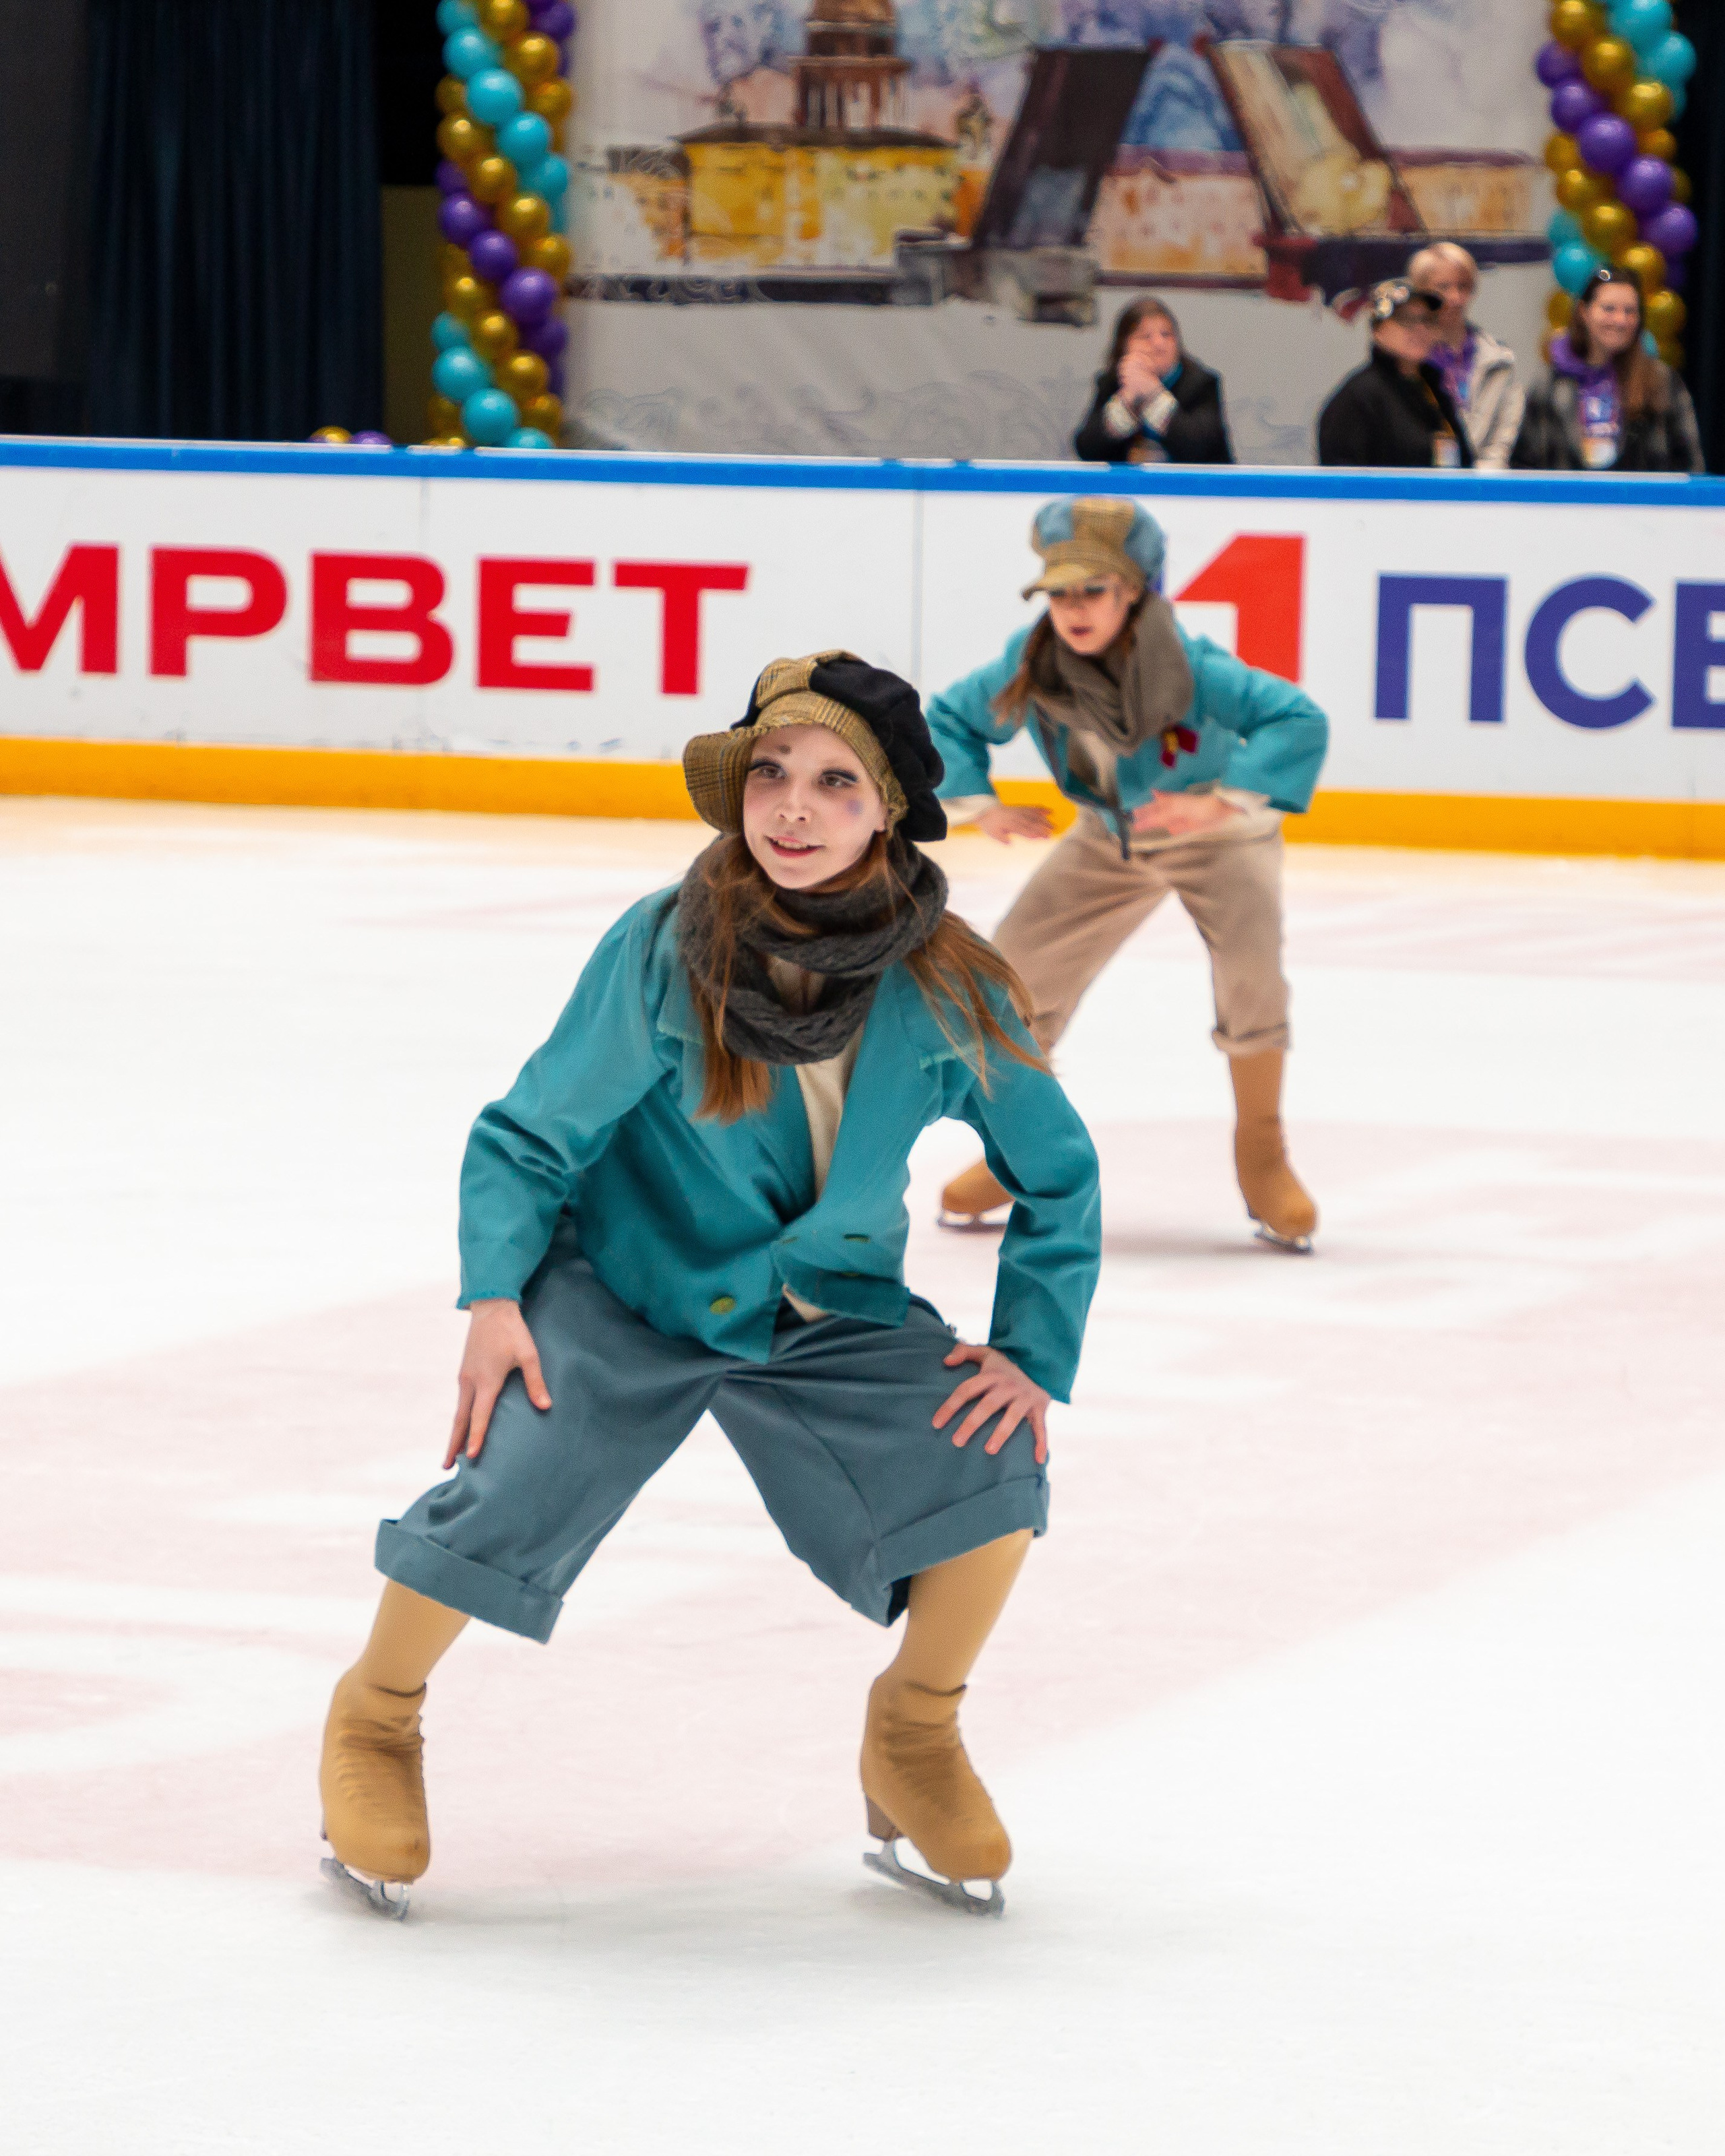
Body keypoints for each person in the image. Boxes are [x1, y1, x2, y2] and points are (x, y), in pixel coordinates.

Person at [317, 652, 1100, 1921]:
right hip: (634, 1283)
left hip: (826, 1309)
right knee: (515, 1483)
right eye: (771, 775)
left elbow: (1057, 1174)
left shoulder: (950, 983)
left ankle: (913, 1731)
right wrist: (496, 1297)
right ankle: (376, 1712)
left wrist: (1032, 1348)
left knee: (992, 1467)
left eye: (835, 784)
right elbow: (529, 1136)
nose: (791, 807)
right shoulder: (671, 946)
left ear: (889, 810)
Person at [925, 497, 1328, 1254]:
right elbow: (949, 716)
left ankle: (1261, 1151)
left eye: (1093, 590)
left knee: (1252, 975)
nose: (1073, 609)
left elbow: (1296, 717)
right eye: (1060, 592)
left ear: (1135, 590)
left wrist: (1220, 801)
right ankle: (1017, 1146)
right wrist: (981, 804)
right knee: (1014, 974)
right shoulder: (1031, 658)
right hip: (1107, 834)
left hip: (1219, 836)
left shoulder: (1193, 665)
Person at [1512, 264, 1703, 474]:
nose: (1621, 320)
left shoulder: (1661, 381)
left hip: (1642, 504)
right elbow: (1523, 464)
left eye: (1630, 311)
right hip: (1565, 505)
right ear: (1584, 312)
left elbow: (1691, 467)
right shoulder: (1549, 383)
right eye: (1609, 309)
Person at [1316, 278, 1473, 468]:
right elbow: (1343, 486)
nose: (1420, 329)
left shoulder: (1433, 389)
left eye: (1427, 320)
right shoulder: (1359, 398)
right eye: (1405, 319)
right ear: (1378, 331)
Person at [1073, 296, 1234, 465]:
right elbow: (1087, 450)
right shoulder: (1110, 382)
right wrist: (1126, 403)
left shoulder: (1202, 383)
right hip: (1128, 489)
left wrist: (1153, 393)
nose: (1159, 344)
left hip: (1194, 488)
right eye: (1145, 337)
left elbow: (1199, 450)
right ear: (1124, 346)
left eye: (1166, 335)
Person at [1406, 241, 1524, 470]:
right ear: (1420, 293)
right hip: (1421, 489)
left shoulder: (1499, 360)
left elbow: (1505, 439)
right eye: (1443, 287)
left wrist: (1476, 488)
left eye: (1463, 287)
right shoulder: (1407, 362)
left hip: (1487, 490)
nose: (1456, 298)